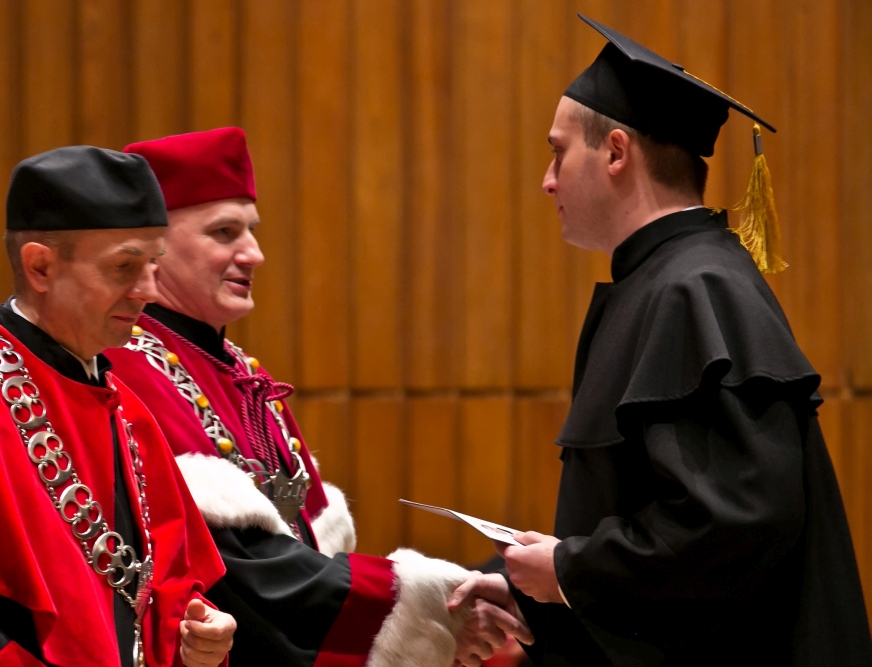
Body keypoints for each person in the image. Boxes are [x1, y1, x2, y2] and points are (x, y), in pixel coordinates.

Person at [449, 14, 872, 666]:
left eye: (559, 151)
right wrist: (534, 593)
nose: (547, 179)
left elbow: (732, 524)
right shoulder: (663, 282)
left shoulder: (696, 288)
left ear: (616, 152)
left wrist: (569, 570)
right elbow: (651, 522)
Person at [103, 128, 533, 667]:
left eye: (252, 231)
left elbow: (304, 546)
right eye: (225, 232)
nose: (254, 253)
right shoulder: (127, 369)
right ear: (155, 247)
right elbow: (237, 569)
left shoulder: (240, 370)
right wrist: (427, 610)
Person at [0, 146, 237, 667]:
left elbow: (157, 589)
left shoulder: (127, 409)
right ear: (40, 266)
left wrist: (195, 636)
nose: (148, 291)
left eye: (153, 263)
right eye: (124, 266)